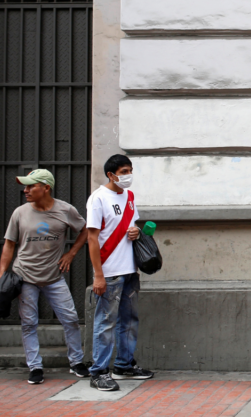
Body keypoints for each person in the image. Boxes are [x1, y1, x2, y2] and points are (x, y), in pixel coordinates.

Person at [0, 169, 89, 385]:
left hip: (54, 277)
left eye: (31, 186)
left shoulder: (66, 210)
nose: (26, 190)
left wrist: (71, 253)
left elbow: (85, 230)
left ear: (46, 188)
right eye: (25, 186)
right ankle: (35, 366)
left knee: (71, 319)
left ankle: (76, 362)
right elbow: (9, 244)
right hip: (25, 277)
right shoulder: (19, 213)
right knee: (29, 323)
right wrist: (2, 276)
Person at [86, 154, 154, 391]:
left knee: (129, 320)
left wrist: (135, 231)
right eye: (124, 171)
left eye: (130, 170)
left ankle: (124, 365)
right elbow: (92, 238)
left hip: (130, 269)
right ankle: (99, 372)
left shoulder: (130, 197)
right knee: (106, 322)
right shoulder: (98, 199)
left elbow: (131, 226)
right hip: (110, 271)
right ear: (111, 174)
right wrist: (98, 275)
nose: (128, 175)